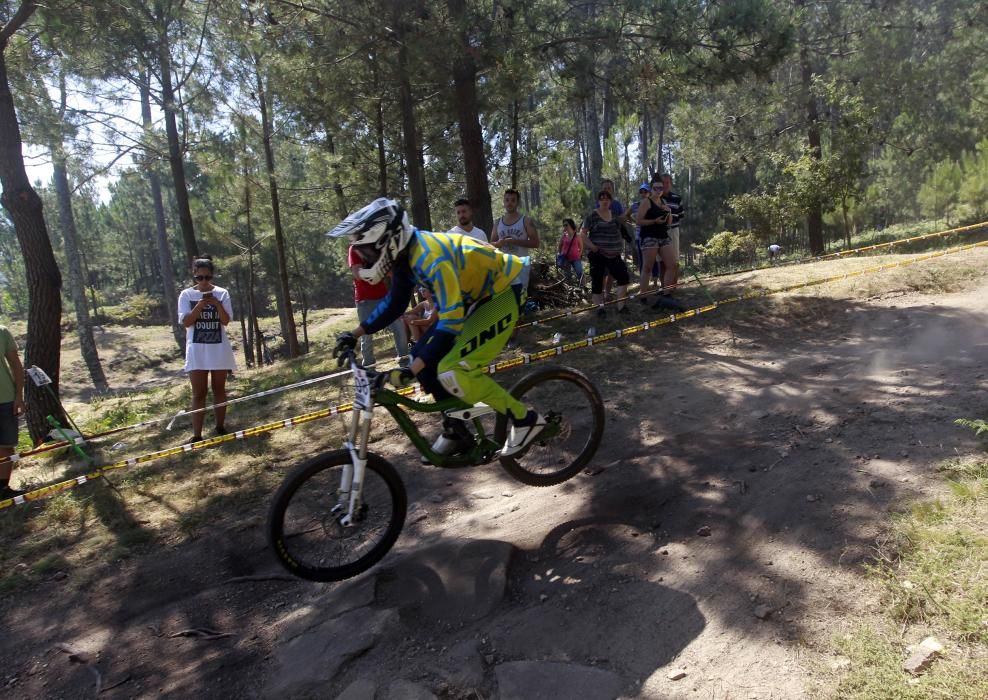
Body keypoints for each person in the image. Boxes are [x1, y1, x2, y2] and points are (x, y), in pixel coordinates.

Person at [331, 198, 545, 459]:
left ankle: (526, 419)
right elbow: (396, 303)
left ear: (387, 241)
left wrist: (410, 371)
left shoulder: (429, 258)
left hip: (502, 292)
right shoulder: (405, 255)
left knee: (453, 369)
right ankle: (456, 429)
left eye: (368, 253)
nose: (366, 261)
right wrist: (354, 334)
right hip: (476, 297)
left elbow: (451, 323)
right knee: (420, 354)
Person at [178, 256, 237, 442]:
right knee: (199, 393)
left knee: (219, 389)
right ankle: (197, 435)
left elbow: (226, 321)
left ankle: (220, 427)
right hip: (196, 350)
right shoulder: (186, 295)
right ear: (194, 276)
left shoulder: (222, 293)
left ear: (212, 276)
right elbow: (186, 322)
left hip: (218, 349)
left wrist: (216, 304)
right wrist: (200, 306)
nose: (204, 282)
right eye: (199, 278)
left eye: (207, 277)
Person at [349, 245, 409, 367]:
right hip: (364, 299)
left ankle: (405, 360)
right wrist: (375, 270)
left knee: (398, 326)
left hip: (383, 296)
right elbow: (356, 273)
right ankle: (369, 365)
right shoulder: (354, 249)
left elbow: (390, 270)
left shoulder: (376, 247)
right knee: (366, 335)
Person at [580, 190, 631, 316]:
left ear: (610, 202)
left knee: (623, 276)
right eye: (602, 198)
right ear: (598, 201)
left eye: (607, 198)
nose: (605, 200)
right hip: (598, 254)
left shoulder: (614, 215)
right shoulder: (592, 215)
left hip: (614, 254)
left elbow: (624, 222)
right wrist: (592, 247)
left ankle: (621, 305)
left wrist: (632, 209)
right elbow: (582, 234)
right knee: (597, 281)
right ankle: (600, 308)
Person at [637, 182, 682, 311]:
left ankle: (666, 294)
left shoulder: (663, 201)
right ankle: (643, 295)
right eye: (656, 188)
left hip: (663, 235)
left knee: (672, 265)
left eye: (661, 188)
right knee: (648, 266)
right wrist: (654, 221)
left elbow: (669, 223)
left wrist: (668, 212)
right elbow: (639, 221)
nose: (658, 190)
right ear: (651, 189)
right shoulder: (646, 202)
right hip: (649, 236)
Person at [492, 188, 539, 290]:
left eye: (513, 200)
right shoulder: (497, 222)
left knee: (521, 296)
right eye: (507, 200)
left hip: (522, 264)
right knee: (504, 297)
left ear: (517, 202)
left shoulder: (525, 220)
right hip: (503, 265)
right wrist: (499, 244)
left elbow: (536, 243)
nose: (510, 203)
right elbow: (491, 244)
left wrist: (513, 241)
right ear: (503, 202)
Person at [0, 325, 25, 499]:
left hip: (5, 399)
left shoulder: (2, 331)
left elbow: (16, 364)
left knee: (6, 446)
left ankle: (3, 489)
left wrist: (19, 396)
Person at [658, 173, 685, 284]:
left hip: (673, 230)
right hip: (659, 232)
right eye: (663, 183)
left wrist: (670, 218)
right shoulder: (655, 198)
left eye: (667, 182)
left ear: (671, 184)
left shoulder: (677, 198)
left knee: (674, 260)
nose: (665, 185)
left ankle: (673, 285)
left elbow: (681, 215)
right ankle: (663, 286)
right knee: (661, 261)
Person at [556, 218, 584, 282]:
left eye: (566, 225)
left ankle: (583, 287)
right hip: (566, 258)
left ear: (571, 225)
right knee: (567, 275)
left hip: (576, 258)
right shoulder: (564, 236)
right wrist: (561, 254)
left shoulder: (577, 235)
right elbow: (559, 246)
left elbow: (581, 247)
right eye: (564, 225)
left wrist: (579, 255)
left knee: (579, 273)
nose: (565, 227)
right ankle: (569, 288)